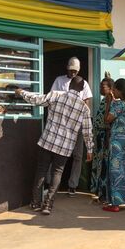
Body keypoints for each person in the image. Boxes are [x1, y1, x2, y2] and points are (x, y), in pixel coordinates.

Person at [17, 76, 93, 215]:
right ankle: (48, 205)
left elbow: (36, 100)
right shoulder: (84, 109)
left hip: (48, 141)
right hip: (64, 147)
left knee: (41, 171)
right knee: (57, 173)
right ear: (82, 90)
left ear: (69, 85)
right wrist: (90, 149)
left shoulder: (56, 95)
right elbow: (88, 131)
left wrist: (22, 92)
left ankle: (35, 203)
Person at [50, 57, 94, 196]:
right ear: (67, 68)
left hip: (78, 124)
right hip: (62, 123)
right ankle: (51, 183)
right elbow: (52, 98)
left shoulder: (83, 83)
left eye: (76, 71)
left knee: (77, 155)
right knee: (57, 153)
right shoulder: (59, 81)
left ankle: (72, 185)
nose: (73, 73)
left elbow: (86, 102)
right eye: (71, 70)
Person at [103, 78, 125, 212]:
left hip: (118, 139)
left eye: (114, 89)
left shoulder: (118, 105)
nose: (112, 91)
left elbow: (107, 120)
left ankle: (115, 203)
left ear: (119, 90)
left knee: (116, 170)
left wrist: (108, 103)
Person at [90, 76, 115, 203]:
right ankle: (100, 192)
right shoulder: (105, 99)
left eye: (103, 86)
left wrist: (106, 139)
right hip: (99, 137)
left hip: (104, 137)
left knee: (104, 165)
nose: (100, 88)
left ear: (110, 88)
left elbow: (107, 122)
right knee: (100, 165)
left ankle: (104, 194)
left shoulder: (110, 99)